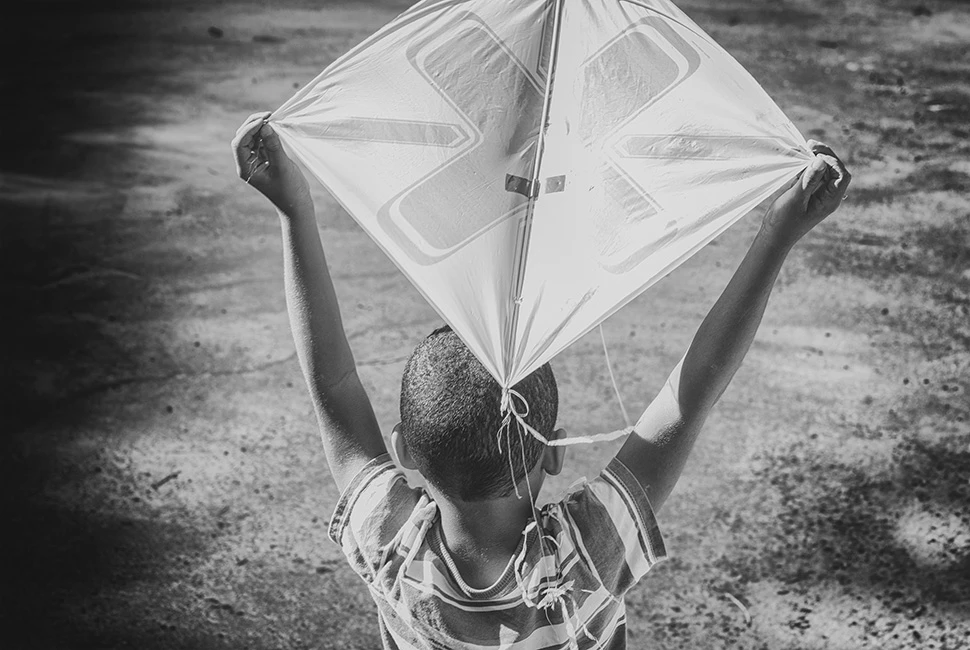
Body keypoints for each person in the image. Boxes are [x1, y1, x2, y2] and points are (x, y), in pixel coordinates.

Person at [232, 110, 850, 649]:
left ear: (405, 450)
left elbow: (332, 386)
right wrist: (778, 233)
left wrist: (294, 209)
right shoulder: (584, 555)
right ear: (552, 453)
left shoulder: (393, 547)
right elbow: (689, 398)